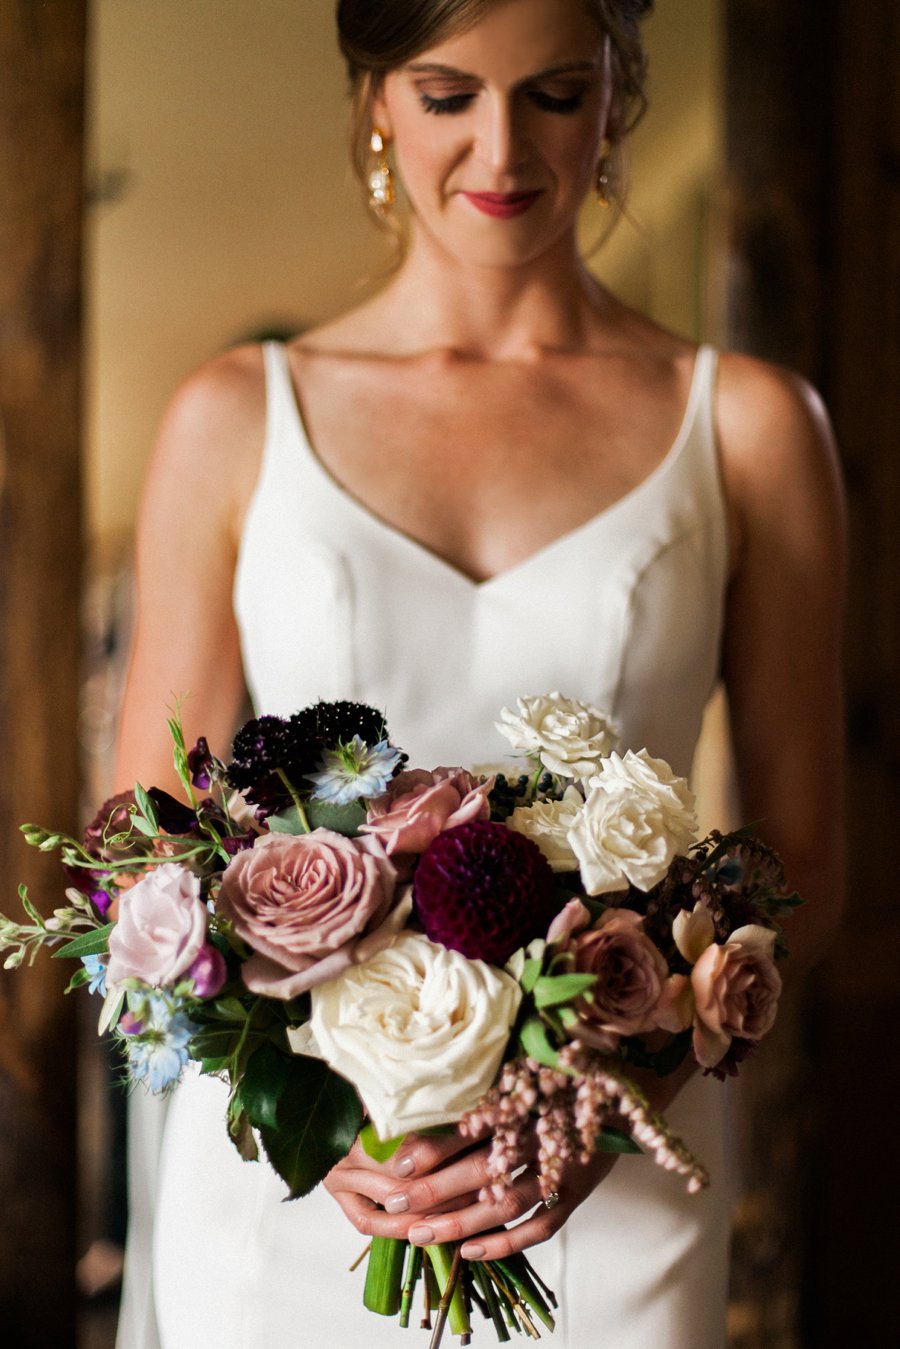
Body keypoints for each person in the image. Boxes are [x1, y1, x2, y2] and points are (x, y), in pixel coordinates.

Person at [113, 0, 845, 1345]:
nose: (502, 149)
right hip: (299, 1205)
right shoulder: (231, 418)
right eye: (448, 94)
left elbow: (809, 858)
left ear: (618, 95)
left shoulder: (746, 428)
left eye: (555, 94)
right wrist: (303, 1116)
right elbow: (143, 863)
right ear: (377, 102)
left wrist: (616, 1092)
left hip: (605, 1202)